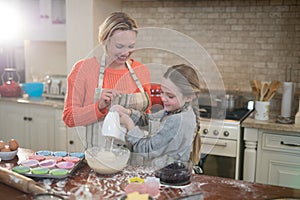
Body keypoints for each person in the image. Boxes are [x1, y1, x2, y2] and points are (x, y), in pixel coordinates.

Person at [62, 12, 151, 147]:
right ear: (104, 41)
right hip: (100, 160)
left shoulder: (141, 71)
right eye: (119, 46)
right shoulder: (83, 69)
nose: (125, 52)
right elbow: (69, 117)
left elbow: (147, 119)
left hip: (137, 161)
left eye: (131, 46)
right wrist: (99, 107)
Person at [113, 64, 201, 167]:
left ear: (189, 97)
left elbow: (147, 149)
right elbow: (148, 119)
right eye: (162, 92)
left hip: (169, 176)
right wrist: (128, 112)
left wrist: (129, 124)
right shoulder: (177, 110)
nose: (163, 98)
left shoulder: (178, 120)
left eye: (170, 96)